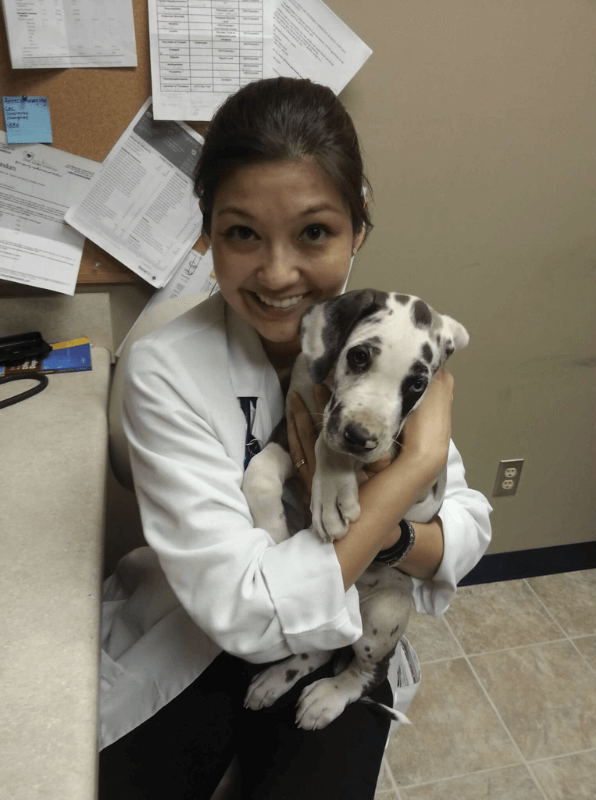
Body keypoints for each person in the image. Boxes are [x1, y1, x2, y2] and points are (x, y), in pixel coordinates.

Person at [98, 77, 492, 800]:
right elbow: (242, 610)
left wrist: (401, 532)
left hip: (345, 630)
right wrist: (409, 476)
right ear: (205, 232)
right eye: (241, 231)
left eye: (314, 231)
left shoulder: (396, 342)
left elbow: (464, 528)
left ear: (358, 229)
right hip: (196, 637)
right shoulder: (164, 366)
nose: (278, 274)